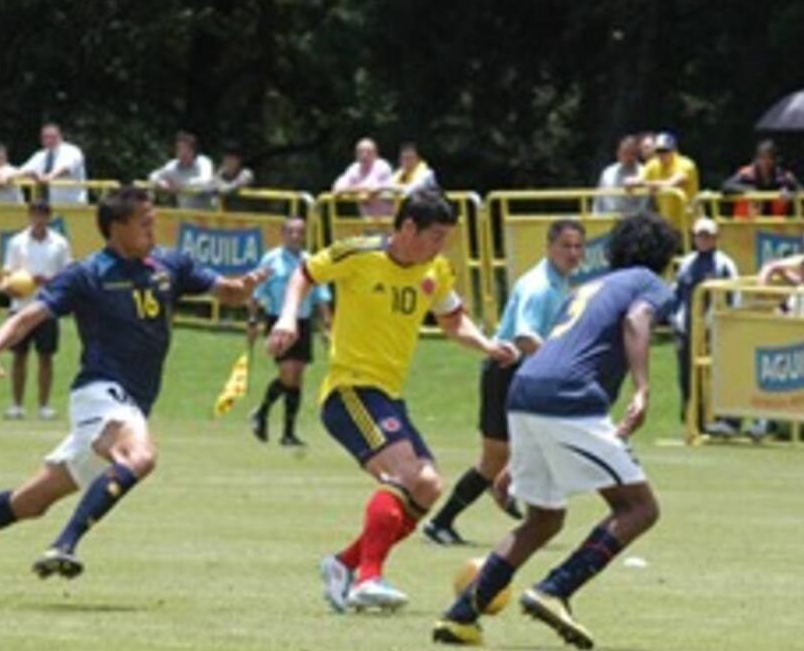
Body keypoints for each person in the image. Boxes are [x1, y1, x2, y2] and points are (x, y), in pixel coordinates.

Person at [0, 187, 267, 601]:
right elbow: (29, 315)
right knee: (140, 457)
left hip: (130, 404)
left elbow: (225, 291)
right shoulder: (88, 274)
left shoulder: (169, 264)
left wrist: (243, 287)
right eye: (145, 223)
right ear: (117, 227)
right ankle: (64, 545)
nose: (153, 229)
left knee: (29, 502)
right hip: (99, 392)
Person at [431, 212, 680, 649]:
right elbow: (636, 322)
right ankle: (555, 589)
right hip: (567, 397)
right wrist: (642, 388)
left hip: (524, 390)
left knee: (543, 519)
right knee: (639, 509)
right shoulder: (649, 285)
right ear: (665, 257)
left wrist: (524, 457)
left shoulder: (586, 286)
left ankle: (461, 616)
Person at [267, 189, 517, 612]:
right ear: (406, 228)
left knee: (427, 486)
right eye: (434, 236)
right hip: (350, 390)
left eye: (445, 238)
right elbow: (304, 274)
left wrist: (488, 345)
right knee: (403, 475)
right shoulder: (358, 253)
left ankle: (344, 564)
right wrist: (289, 315)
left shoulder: (435, 270)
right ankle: (368, 578)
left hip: (388, 396)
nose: (440, 246)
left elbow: (453, 321)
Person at [422, 218, 586, 546]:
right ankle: (446, 520)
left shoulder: (560, 282)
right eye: (565, 246)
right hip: (506, 370)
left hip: (524, 373)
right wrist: (560, 367)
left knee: (532, 445)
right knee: (496, 457)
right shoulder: (540, 286)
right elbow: (525, 337)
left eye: (578, 246)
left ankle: (506, 491)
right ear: (549, 247)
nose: (573, 253)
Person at [247, 217, 332, 446]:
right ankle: (262, 412)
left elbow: (321, 295)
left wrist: (326, 323)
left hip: (303, 322)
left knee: (297, 379)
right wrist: (253, 320)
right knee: (287, 373)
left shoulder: (310, 261)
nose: (295, 236)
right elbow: (257, 292)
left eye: (300, 232)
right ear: (283, 234)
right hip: (279, 321)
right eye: (291, 232)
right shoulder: (271, 259)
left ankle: (287, 432)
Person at [0, 201, 73, 421]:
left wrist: (47, 281)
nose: (38, 219)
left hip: (47, 306)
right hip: (21, 307)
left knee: (46, 356)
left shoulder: (59, 243)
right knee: (19, 356)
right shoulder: (17, 242)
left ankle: (44, 405)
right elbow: (7, 271)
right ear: (29, 216)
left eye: (42, 215)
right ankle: (16, 404)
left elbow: (68, 273)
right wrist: (9, 287)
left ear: (49, 217)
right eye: (34, 214)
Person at [673, 218, 738, 425]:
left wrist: (717, 323)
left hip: (715, 327)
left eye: (707, 235)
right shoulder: (686, 262)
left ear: (716, 237)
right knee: (687, 375)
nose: (703, 239)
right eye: (700, 235)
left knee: (719, 374)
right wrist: (677, 321)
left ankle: (727, 419)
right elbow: (678, 293)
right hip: (689, 327)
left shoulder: (724, 263)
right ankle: (694, 417)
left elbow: (733, 295)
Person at [630, 131, 699, 230]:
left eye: (665, 151)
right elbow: (638, 180)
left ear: (674, 150)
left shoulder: (686, 164)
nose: (662, 154)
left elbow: (671, 183)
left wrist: (643, 183)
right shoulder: (653, 165)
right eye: (658, 151)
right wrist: (630, 182)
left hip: (688, 223)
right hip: (667, 223)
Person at [720, 140, 800, 217]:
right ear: (756, 159)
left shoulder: (783, 176)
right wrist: (750, 191)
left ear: (775, 160)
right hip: (748, 223)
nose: (766, 162)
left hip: (777, 224)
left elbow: (802, 192)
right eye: (762, 158)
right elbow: (725, 186)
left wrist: (790, 193)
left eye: (770, 158)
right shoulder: (746, 174)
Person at [20, 122, 87, 205]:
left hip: (73, 204)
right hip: (51, 205)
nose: (49, 140)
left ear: (60, 136)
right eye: (45, 137)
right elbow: (24, 169)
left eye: (53, 137)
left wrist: (50, 177)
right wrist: (7, 177)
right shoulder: (40, 155)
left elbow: (66, 168)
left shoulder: (72, 151)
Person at [148, 131, 216, 209]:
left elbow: (206, 181)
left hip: (209, 215)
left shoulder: (203, 162)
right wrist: (161, 183)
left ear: (193, 151)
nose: (182, 153)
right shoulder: (172, 166)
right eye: (179, 149)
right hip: (184, 215)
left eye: (186, 149)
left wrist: (181, 184)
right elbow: (153, 175)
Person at [331, 137, 394, 218]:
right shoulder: (354, 168)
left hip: (388, 219)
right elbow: (337, 188)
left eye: (368, 152)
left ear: (376, 154)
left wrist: (348, 190)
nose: (364, 155)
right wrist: (360, 189)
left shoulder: (382, 166)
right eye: (360, 152)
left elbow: (373, 189)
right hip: (366, 221)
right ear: (356, 154)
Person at [594, 135, 646, 214]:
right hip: (608, 218)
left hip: (633, 221)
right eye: (624, 152)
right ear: (618, 153)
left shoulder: (644, 173)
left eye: (631, 153)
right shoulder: (608, 173)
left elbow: (645, 204)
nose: (627, 156)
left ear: (636, 155)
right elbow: (598, 201)